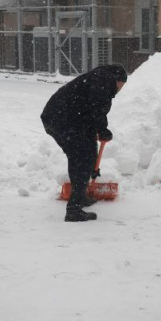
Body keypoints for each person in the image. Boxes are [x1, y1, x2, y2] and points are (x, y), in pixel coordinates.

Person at [41, 64, 128, 223]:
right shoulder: (104, 79)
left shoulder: (98, 78)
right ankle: (74, 210)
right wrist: (102, 130)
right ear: (118, 80)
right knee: (80, 158)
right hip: (61, 119)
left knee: (86, 152)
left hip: (63, 118)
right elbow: (97, 107)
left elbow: (89, 111)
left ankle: (80, 196)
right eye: (122, 85)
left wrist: (93, 155)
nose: (120, 89)